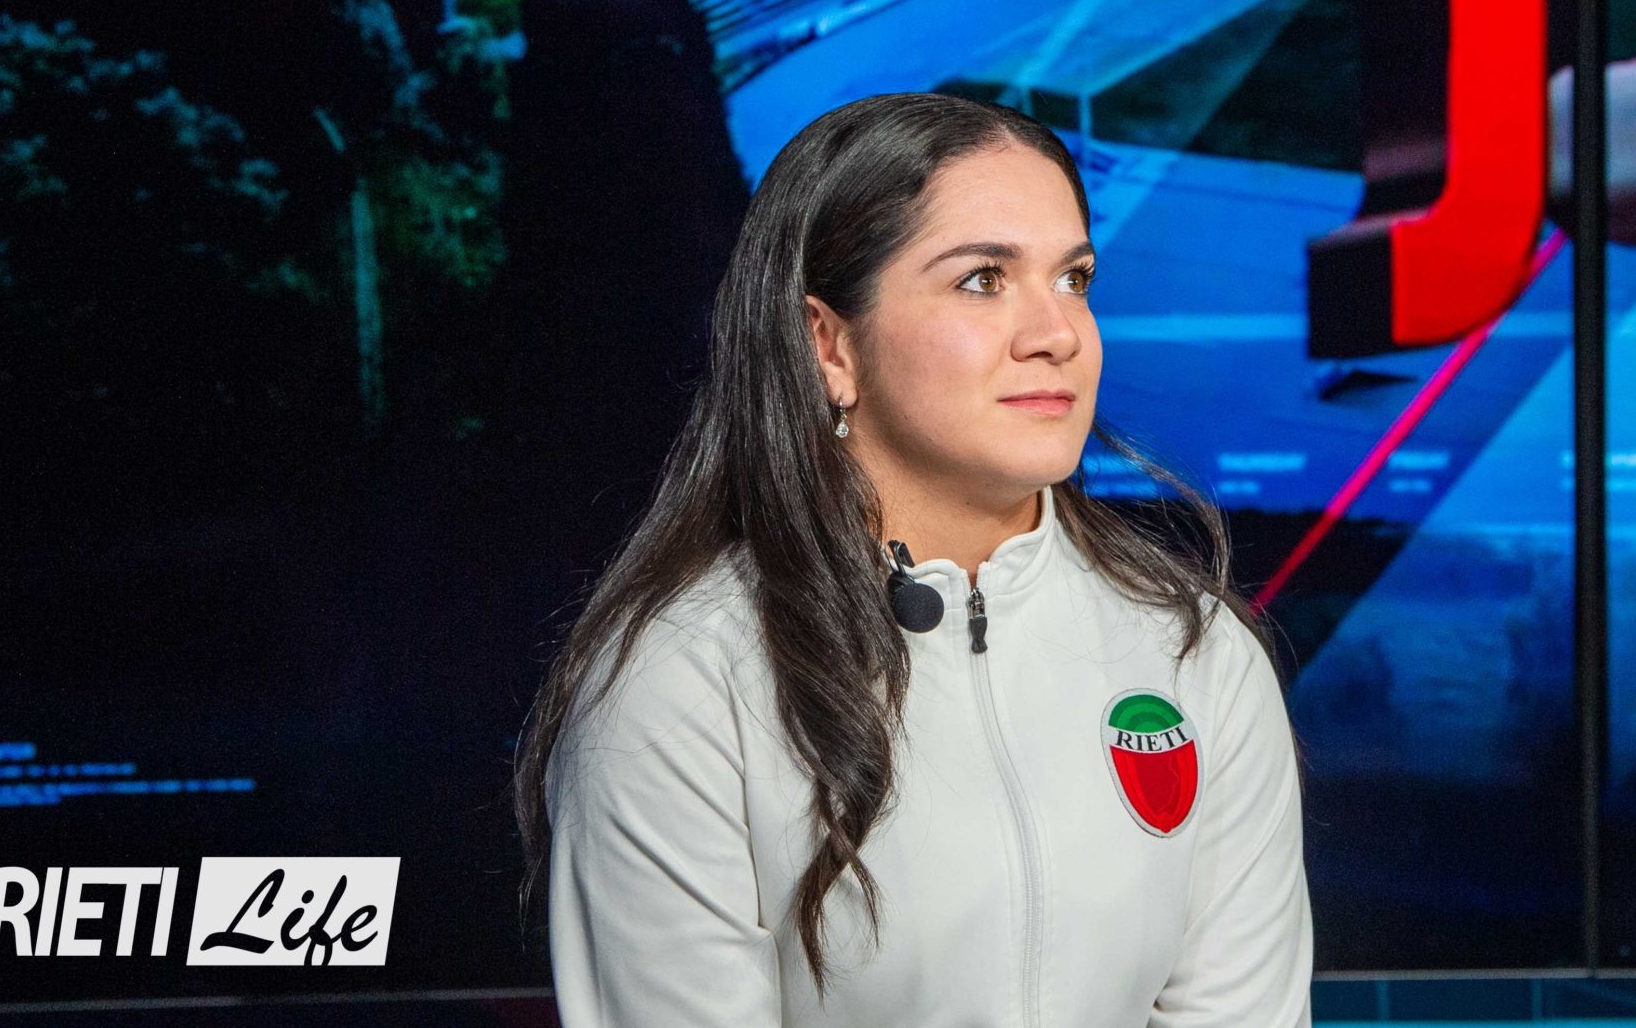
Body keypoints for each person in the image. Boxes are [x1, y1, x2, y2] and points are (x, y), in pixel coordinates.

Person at [512, 90, 1314, 1026]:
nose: (1057, 333)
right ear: (828, 346)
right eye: (983, 279)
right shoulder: (682, 682)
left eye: (1074, 278)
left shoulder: (1197, 655)